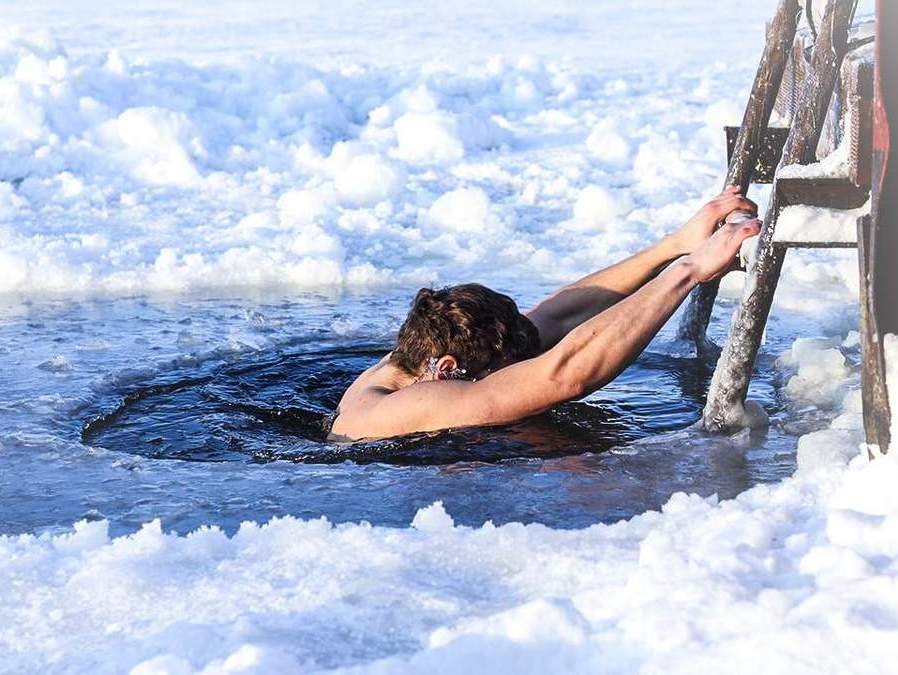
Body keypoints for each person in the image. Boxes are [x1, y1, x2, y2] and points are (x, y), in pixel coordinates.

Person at [329, 187, 759, 441]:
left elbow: (553, 319)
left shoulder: (421, 357)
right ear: (447, 370)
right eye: (507, 367)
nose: (521, 365)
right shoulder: (408, 405)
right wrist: (689, 273)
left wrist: (674, 246)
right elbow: (565, 375)